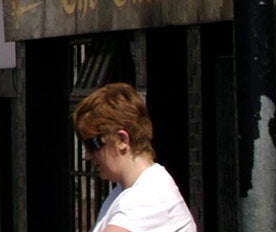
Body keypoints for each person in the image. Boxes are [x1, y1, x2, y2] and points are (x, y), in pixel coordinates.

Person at [75, 82, 196, 232]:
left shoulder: (149, 197)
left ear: (122, 140)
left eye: (92, 144)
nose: (87, 155)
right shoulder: (125, 190)